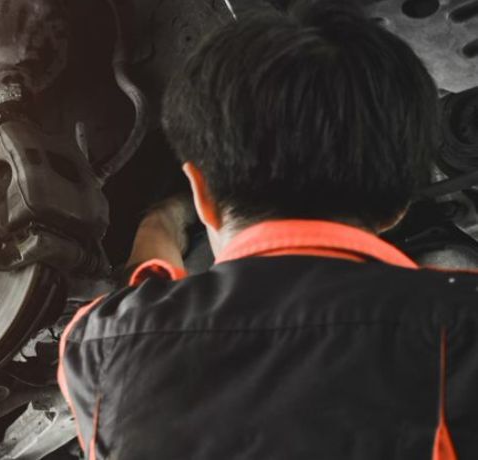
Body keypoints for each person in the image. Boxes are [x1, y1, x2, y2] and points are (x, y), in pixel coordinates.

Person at [56, 1, 477, 459]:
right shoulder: (459, 332)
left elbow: (141, 297)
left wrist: (163, 216)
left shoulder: (97, 348)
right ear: (398, 206)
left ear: (202, 192)